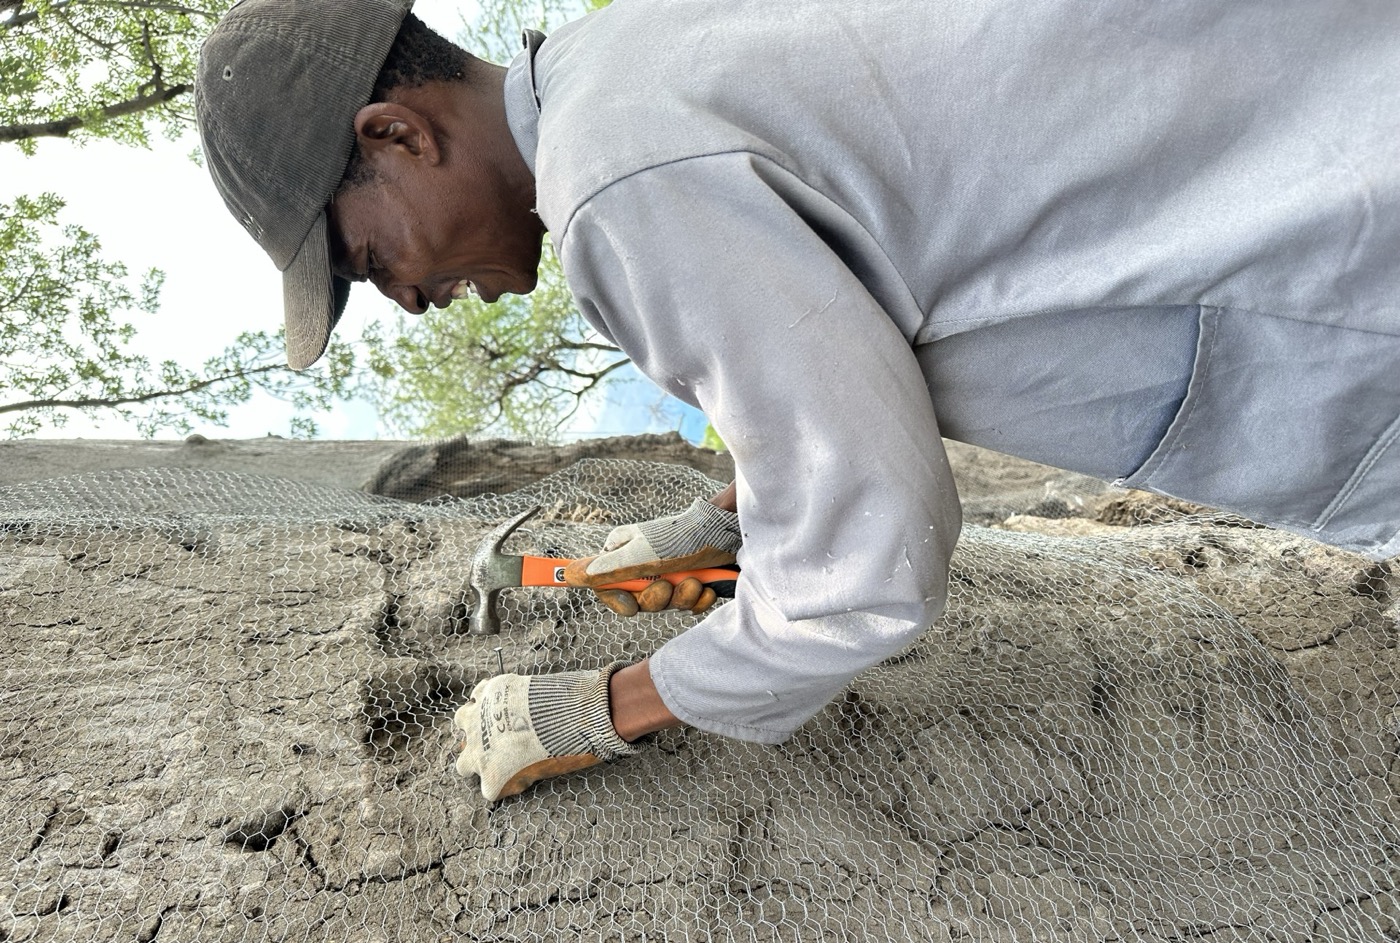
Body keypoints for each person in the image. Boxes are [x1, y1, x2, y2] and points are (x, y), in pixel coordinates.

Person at [195, 0, 1400, 801]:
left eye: (362, 262)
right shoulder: (651, 47)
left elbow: (859, 573)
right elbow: (899, 267)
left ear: (396, 133)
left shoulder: (620, 188)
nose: (404, 302)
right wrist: (733, 514)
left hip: (1343, 294)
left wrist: (606, 703)